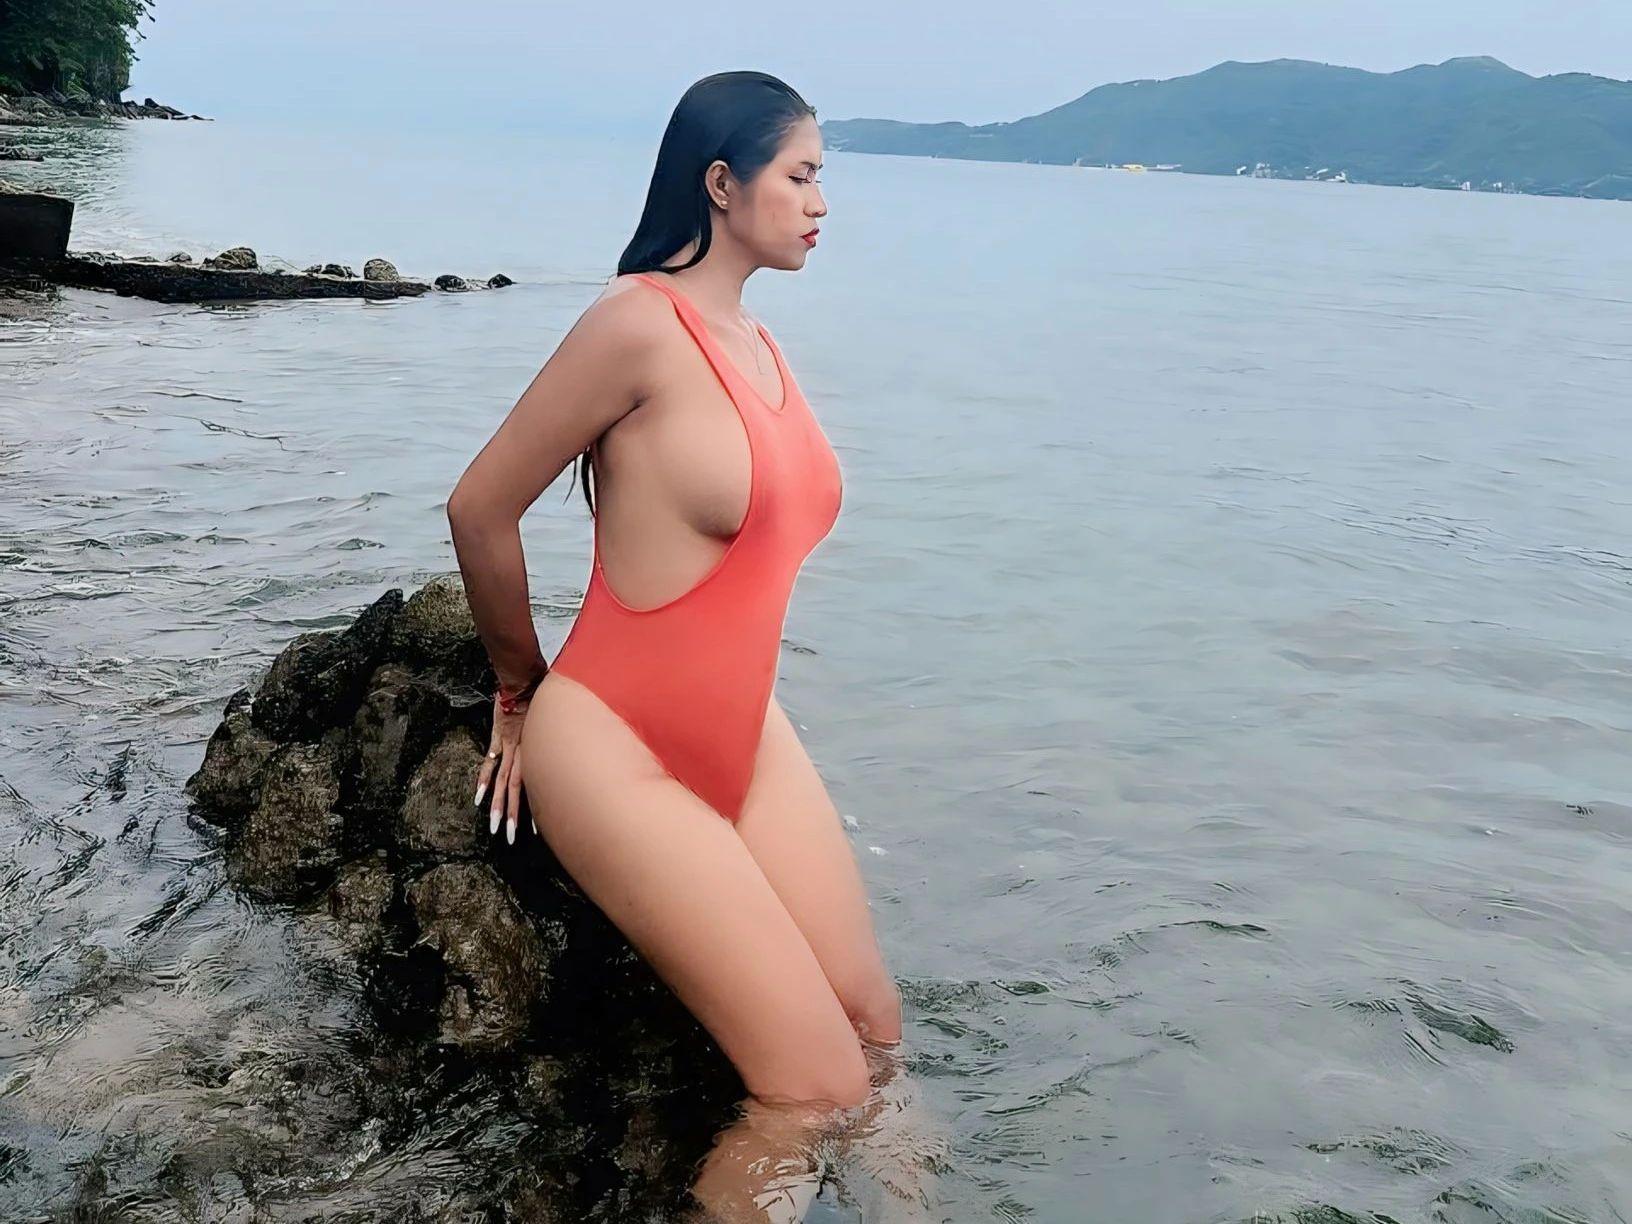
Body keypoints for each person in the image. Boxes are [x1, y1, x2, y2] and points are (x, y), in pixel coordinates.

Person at [446, 71, 905, 1220]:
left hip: (746, 738)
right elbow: (480, 507)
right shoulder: (636, 324)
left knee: (875, 1033)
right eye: (802, 175)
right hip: (615, 746)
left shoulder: (762, 345)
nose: (822, 203)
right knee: (813, 1090)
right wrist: (517, 690)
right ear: (722, 184)